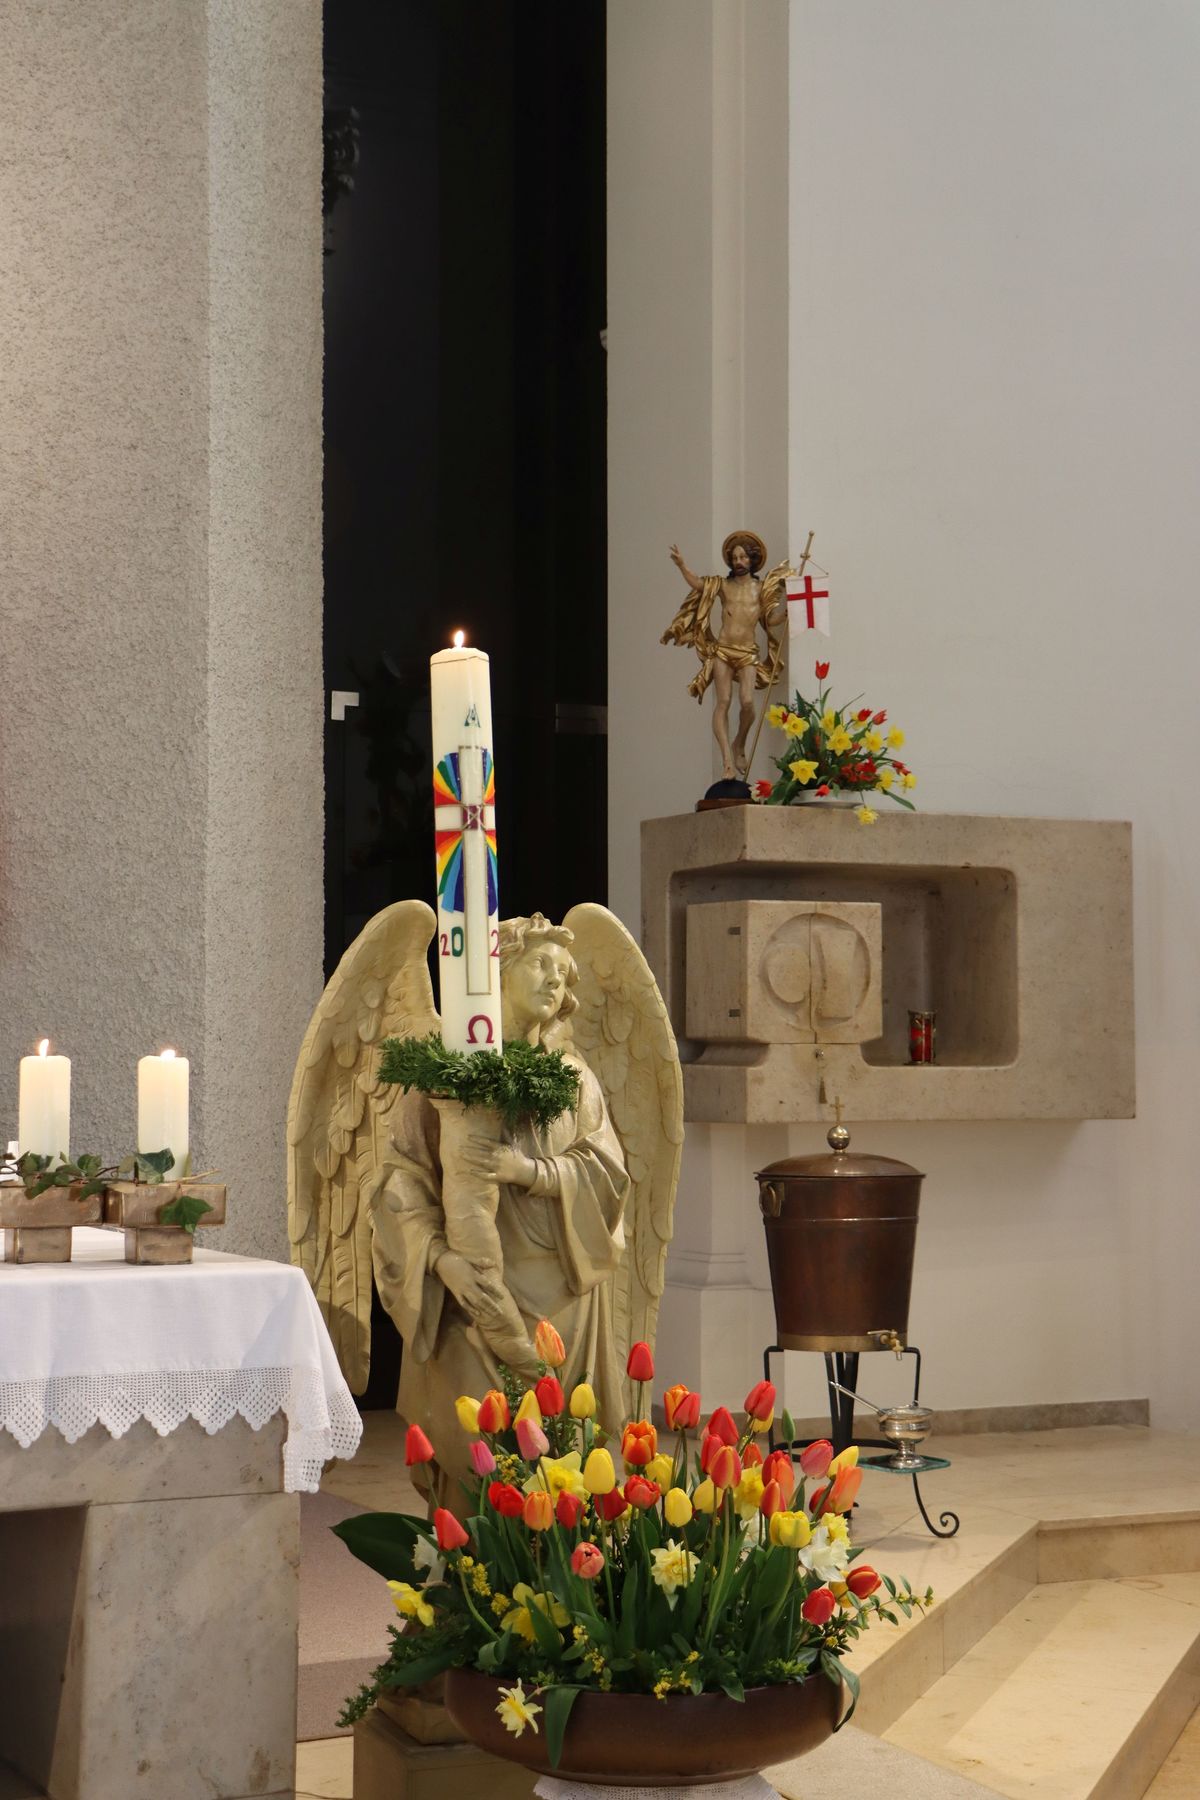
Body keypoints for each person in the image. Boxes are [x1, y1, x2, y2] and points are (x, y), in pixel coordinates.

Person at [371, 913, 631, 1511]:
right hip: (470, 1293)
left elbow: (608, 1174)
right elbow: (399, 1183)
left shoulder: (574, 1077)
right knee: (473, 1455)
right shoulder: (441, 1074)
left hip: (562, 1295)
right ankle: (468, 1566)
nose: (555, 981)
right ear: (498, 971)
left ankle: (560, 1570)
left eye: (564, 973)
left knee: (560, 1461)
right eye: (540, 964)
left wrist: (530, 1172)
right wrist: (442, 1261)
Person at [662, 529, 788, 781]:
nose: (739, 562)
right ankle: (728, 762)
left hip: (747, 653)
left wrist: (786, 615)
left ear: (752, 560)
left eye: (743, 557)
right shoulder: (723, 585)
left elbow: (769, 620)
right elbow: (698, 584)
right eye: (735, 558)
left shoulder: (761, 589)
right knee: (724, 701)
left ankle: (739, 742)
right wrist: (682, 565)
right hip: (723, 650)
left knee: (748, 702)